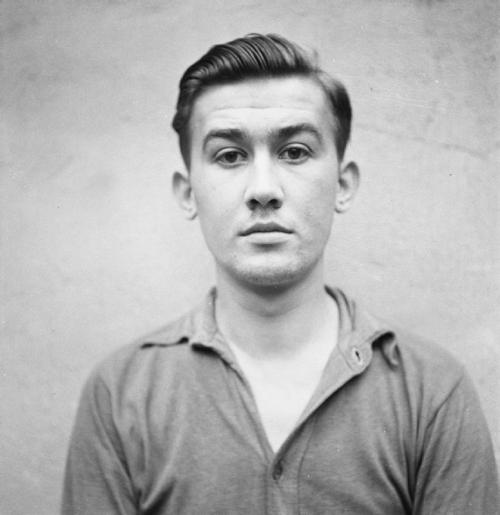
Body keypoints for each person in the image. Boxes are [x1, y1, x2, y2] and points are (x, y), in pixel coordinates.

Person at [62, 34, 499, 514]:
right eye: (230, 155)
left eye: (294, 152)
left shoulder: (431, 390)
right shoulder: (121, 393)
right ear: (188, 192)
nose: (263, 190)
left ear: (343, 184)